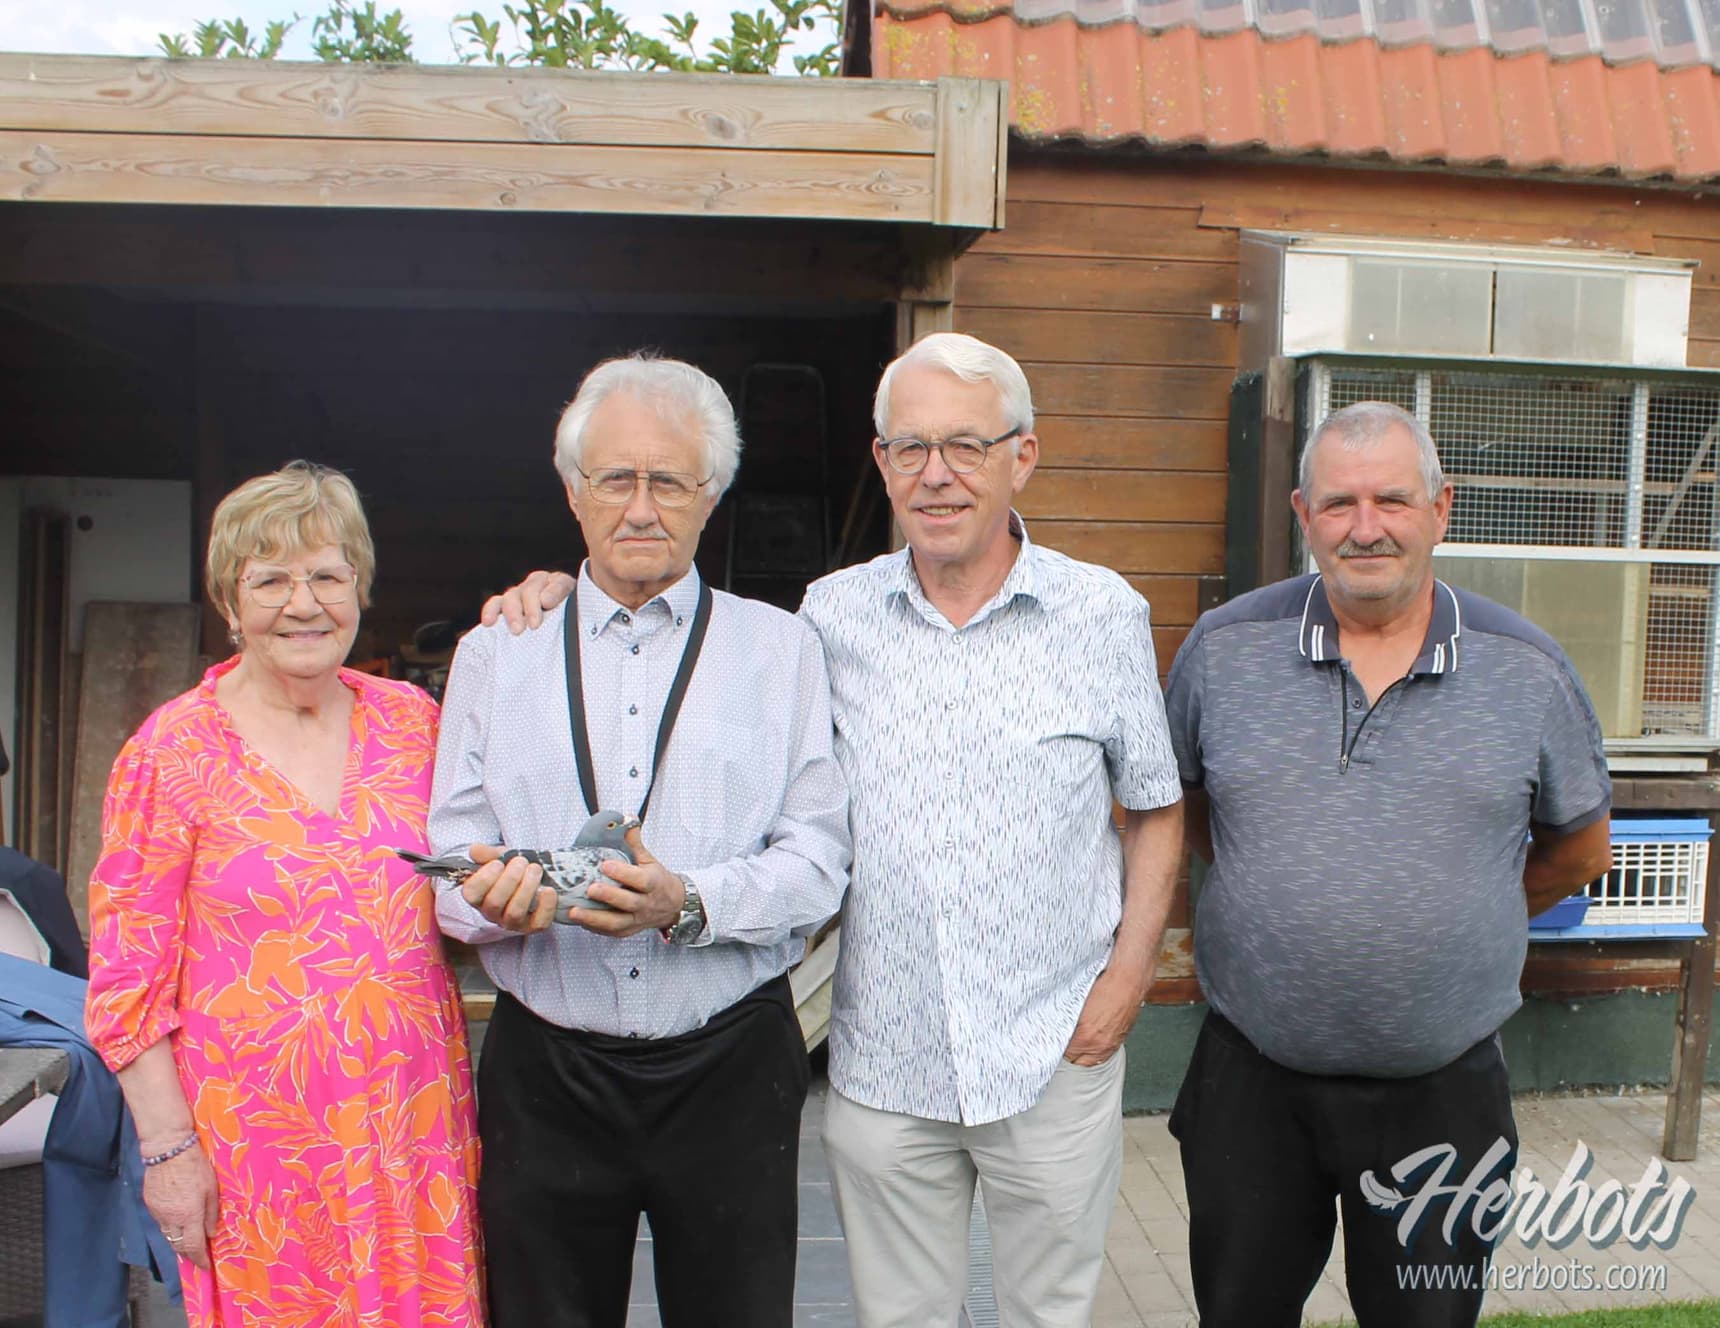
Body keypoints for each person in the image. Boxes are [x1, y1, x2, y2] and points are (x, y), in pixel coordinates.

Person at [488, 334, 1184, 1327]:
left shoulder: (1101, 612)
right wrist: (567, 593)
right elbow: (678, 637)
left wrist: (1124, 986)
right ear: (881, 462)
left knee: (1050, 1315)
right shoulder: (828, 618)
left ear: (1022, 456)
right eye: (910, 448)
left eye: (966, 445)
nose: (936, 474)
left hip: (1050, 1043)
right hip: (884, 1056)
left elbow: (1155, 806)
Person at [1164, 401, 1615, 1328]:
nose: (1364, 528)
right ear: (1303, 514)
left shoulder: (1526, 669)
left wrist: (1466, 908)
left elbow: (1580, 848)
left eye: (1392, 501)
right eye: (1339, 503)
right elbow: (1189, 812)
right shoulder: (1222, 651)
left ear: (1440, 510)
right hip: (1252, 1080)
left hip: (1442, 1093)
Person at [431, 353, 850, 1328]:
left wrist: (690, 902)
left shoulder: (781, 648)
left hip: (729, 1061)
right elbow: (450, 854)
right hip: (547, 1069)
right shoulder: (497, 651)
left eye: (671, 480)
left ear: (712, 494)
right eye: (616, 477)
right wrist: (490, 903)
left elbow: (818, 861)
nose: (641, 506)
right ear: (573, 491)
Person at [84, 461, 484, 1326]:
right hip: (256, 1154)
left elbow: (477, 881)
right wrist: (169, 1153)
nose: (304, 605)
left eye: (328, 577)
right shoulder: (172, 753)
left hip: (410, 1136)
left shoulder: (415, 725)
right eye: (270, 581)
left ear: (360, 588)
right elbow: (126, 984)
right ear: (231, 602)